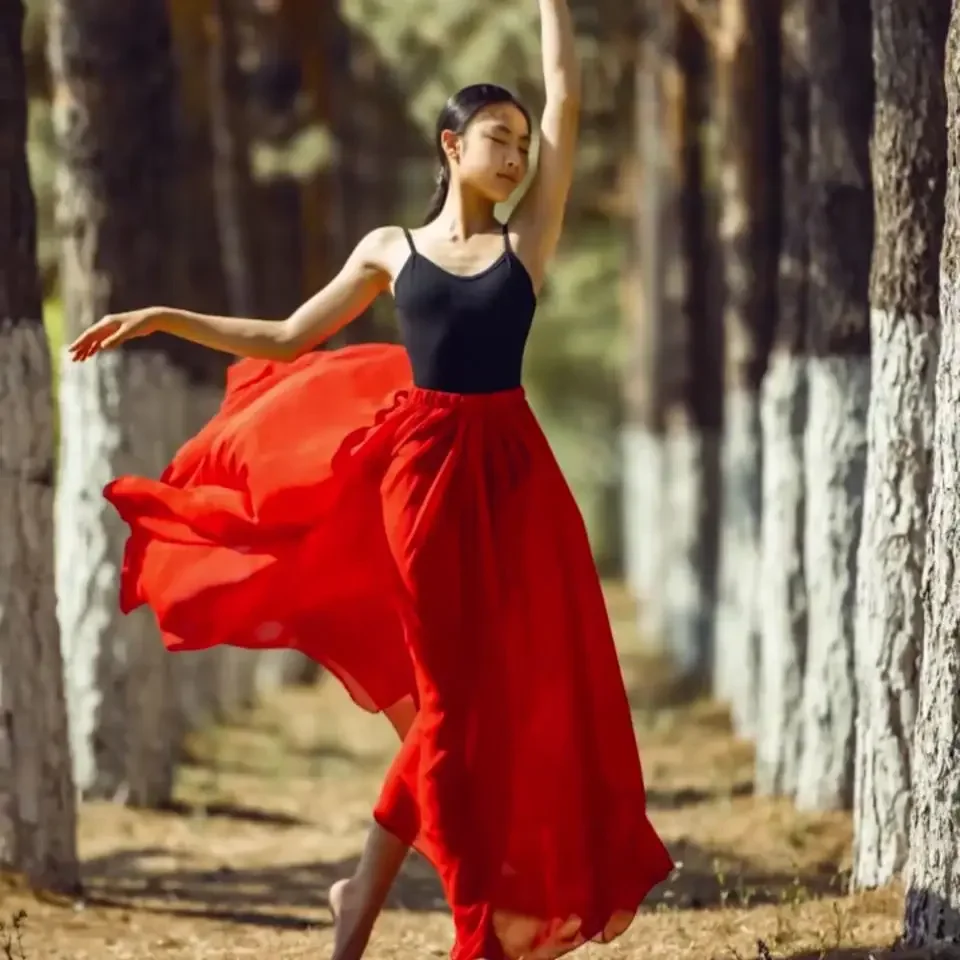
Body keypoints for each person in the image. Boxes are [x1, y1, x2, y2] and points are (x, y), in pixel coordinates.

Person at [69, 0, 673, 956]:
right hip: (423, 482)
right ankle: (476, 930)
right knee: (452, 701)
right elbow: (285, 336)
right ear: (451, 144)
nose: (516, 156)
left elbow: (569, 92)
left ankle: (359, 901)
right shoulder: (390, 250)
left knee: (472, 705)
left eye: (523, 144)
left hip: (515, 483)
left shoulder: (527, 246)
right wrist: (161, 317)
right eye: (497, 139)